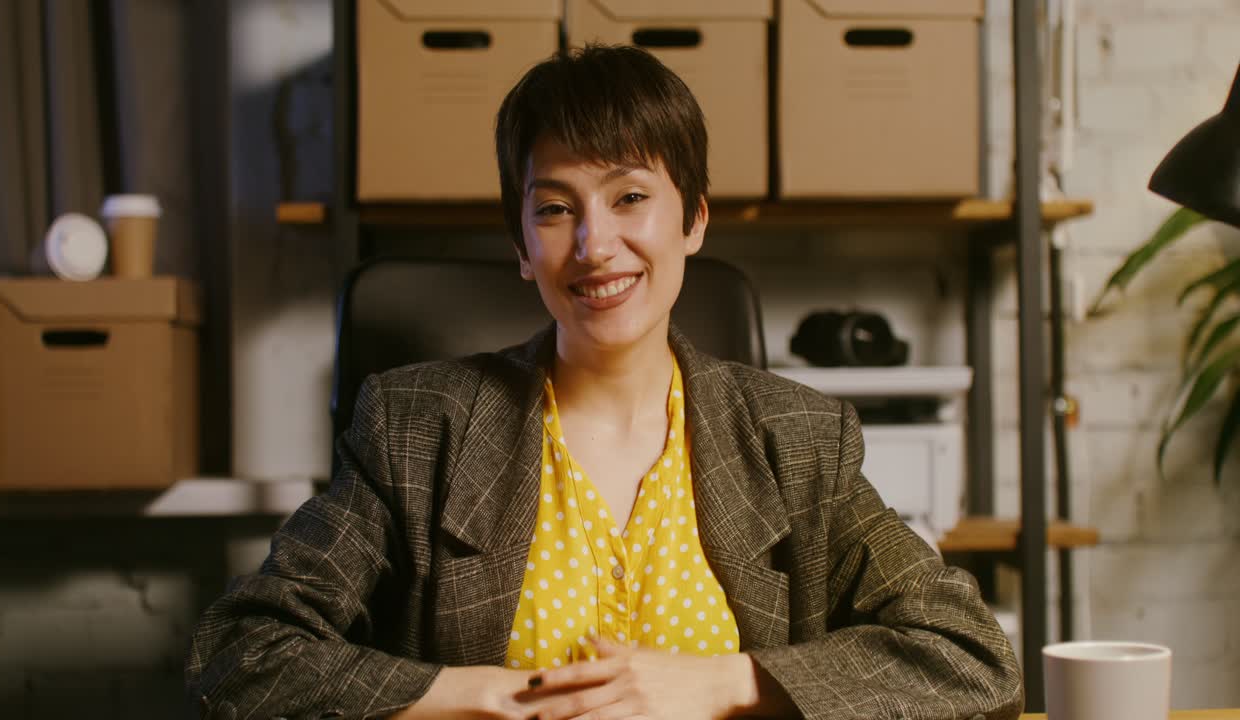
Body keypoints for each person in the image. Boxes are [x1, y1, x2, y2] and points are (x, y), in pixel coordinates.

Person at [187, 45, 1023, 720]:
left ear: (694, 218)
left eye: (630, 197)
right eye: (554, 209)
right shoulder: (419, 426)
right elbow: (240, 655)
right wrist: (487, 694)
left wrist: (725, 683)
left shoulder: (794, 440)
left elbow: (972, 658)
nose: (593, 244)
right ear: (520, 244)